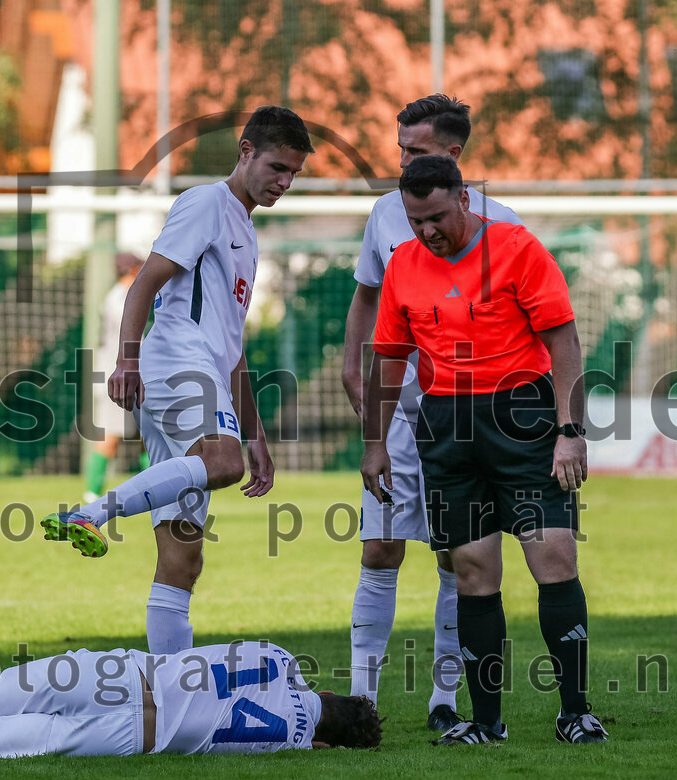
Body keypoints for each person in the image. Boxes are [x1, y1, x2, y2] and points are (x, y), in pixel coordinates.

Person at [41, 107, 314, 654]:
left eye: (293, 174)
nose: (283, 182)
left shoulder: (246, 230)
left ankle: (170, 694)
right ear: (245, 151)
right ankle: (93, 513)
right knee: (222, 463)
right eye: (278, 167)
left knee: (183, 558)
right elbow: (144, 283)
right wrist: (127, 360)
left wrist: (256, 435)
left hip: (201, 371)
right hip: (174, 365)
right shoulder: (207, 203)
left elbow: (232, 350)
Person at [361, 154, 608, 745]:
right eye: (417, 220)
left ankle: (574, 711)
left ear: (465, 200)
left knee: (553, 558)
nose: (428, 231)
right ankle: (487, 722)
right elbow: (390, 361)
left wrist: (569, 431)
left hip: (522, 416)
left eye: (438, 217)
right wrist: (374, 444)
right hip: (446, 425)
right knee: (472, 571)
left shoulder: (518, 249)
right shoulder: (403, 267)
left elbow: (564, 341)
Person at [342, 94, 521, 730]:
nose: (403, 161)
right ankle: (362, 697)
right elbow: (367, 296)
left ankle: (444, 700)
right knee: (381, 547)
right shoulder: (385, 215)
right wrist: (349, 357)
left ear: (453, 154)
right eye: (400, 150)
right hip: (397, 409)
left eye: (416, 151)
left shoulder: (503, 226)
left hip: (467, 416)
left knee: (457, 555)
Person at [0, 642, 382, 762]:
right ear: (330, 739)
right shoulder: (297, 741)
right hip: (132, 738)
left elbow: (227, 659)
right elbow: (302, 723)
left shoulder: (278, 658)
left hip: (119, 675)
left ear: (327, 691)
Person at [83, 251, 147, 504]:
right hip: (117, 376)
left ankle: (152, 489)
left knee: (147, 435)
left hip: (126, 375)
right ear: (132, 270)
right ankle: (91, 493)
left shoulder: (121, 296)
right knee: (110, 437)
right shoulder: (120, 299)